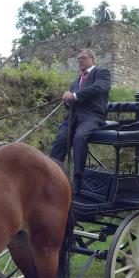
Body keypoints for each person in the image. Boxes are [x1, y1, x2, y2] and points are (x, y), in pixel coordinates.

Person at [49, 49, 111, 192]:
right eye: (78, 59)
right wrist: (67, 100)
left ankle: (78, 179)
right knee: (61, 138)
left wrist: (74, 96)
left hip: (93, 116)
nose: (80, 61)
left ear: (93, 59)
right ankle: (51, 173)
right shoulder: (75, 82)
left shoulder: (102, 73)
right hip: (73, 118)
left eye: (83, 57)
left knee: (79, 136)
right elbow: (70, 103)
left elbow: (98, 88)